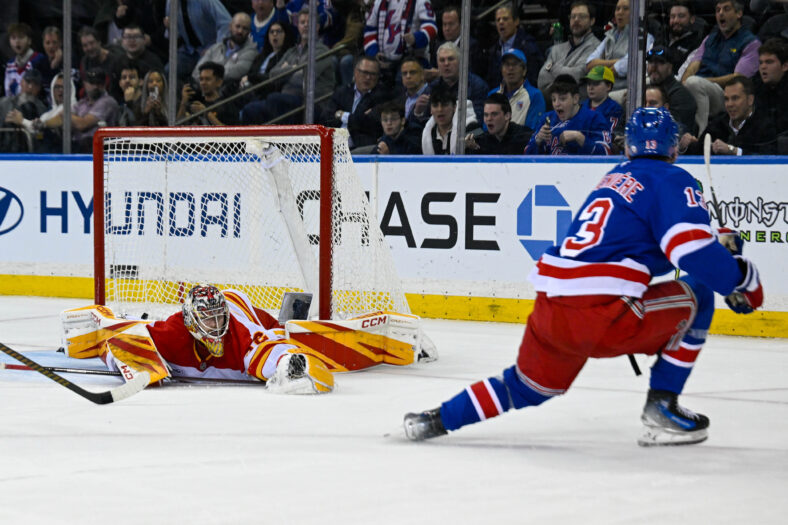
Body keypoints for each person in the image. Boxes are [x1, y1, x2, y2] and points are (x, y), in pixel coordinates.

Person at [403, 107, 764, 447]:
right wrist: (743, 281)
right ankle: (663, 406)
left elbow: (644, 245)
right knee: (700, 294)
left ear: (630, 144)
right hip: (603, 313)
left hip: (553, 305)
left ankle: (435, 420)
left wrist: (717, 248)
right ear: (673, 146)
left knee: (527, 387)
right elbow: (689, 253)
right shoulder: (673, 178)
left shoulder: (614, 178)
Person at [61, 285, 432, 393]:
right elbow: (119, 341)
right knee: (101, 332)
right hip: (232, 307)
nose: (214, 326)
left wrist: (291, 366)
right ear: (190, 321)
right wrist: (135, 366)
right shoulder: (173, 332)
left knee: (288, 333)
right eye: (206, 319)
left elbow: (286, 356)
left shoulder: (241, 336)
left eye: (216, 318)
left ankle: (379, 335)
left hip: (244, 308)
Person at [240, 8, 334, 124]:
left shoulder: (321, 50)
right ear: (298, 26)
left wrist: (287, 69)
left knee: (275, 99)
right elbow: (273, 75)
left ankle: (278, 139)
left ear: (317, 27)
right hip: (286, 101)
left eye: (309, 22)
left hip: (312, 103)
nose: (305, 25)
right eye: (302, 22)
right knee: (250, 110)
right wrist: (295, 69)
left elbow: (304, 78)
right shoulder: (291, 51)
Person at [682, 0, 760, 134]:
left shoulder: (751, 43)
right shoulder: (710, 39)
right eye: (718, 10)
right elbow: (693, 66)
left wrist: (701, 82)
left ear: (739, 13)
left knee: (694, 83)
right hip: (700, 87)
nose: (721, 14)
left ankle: (701, 137)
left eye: (726, 9)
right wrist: (683, 84)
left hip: (727, 94)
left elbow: (738, 78)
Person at [680, 76, 777, 155]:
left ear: (750, 100)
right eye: (726, 99)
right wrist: (687, 145)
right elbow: (699, 151)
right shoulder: (718, 123)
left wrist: (733, 151)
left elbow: (769, 158)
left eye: (735, 98)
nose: (729, 104)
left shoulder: (765, 125)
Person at [525, 74, 611, 155]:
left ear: (575, 99)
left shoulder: (594, 118)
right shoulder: (547, 119)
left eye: (562, 99)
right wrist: (537, 140)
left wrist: (579, 138)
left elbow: (606, 153)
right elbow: (526, 156)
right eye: (554, 99)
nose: (557, 104)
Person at [586, 0, 654, 100]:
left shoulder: (644, 37)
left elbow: (628, 65)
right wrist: (617, 61)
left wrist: (601, 67)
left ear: (636, 13)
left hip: (625, 91)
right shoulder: (609, 35)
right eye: (617, 9)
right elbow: (589, 64)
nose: (620, 12)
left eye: (625, 9)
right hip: (603, 88)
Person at [321, 56, 390, 149]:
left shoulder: (381, 96)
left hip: (359, 147)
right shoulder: (342, 91)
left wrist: (342, 115)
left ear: (378, 77)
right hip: (333, 143)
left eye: (373, 74)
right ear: (356, 72)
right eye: (365, 72)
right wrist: (354, 119)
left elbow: (369, 124)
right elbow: (326, 116)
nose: (368, 77)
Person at [363, 0, 438, 81]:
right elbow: (369, 31)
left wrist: (415, 38)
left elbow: (432, 27)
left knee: (401, 84)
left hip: (413, 59)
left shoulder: (420, 2)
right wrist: (374, 53)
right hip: (383, 61)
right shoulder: (379, 3)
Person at [537, 1, 601, 95]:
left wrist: (551, 68)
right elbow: (542, 80)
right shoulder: (556, 49)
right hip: (552, 106)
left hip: (579, 106)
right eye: (573, 16)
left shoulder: (598, 48)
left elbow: (576, 75)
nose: (576, 20)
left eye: (581, 16)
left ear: (592, 21)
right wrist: (567, 71)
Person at [164, 0, 232, 81]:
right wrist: (170, 28)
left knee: (199, 76)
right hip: (189, 50)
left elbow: (226, 23)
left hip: (210, 47)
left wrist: (215, 48)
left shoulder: (207, 1)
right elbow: (176, 36)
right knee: (168, 71)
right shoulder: (171, 3)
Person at [484, 4, 543, 90]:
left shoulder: (528, 46)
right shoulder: (493, 50)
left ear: (516, 21)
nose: (501, 22)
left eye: (505, 19)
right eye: (498, 20)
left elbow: (533, 77)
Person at [192, 12, 257, 90]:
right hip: (203, 88)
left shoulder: (251, 52)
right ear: (230, 27)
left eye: (244, 28)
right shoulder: (216, 47)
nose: (240, 31)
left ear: (249, 32)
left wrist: (206, 79)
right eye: (237, 26)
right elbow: (197, 71)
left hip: (225, 92)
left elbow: (234, 73)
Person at [488, 48, 545, 132]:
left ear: (524, 70)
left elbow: (532, 131)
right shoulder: (492, 95)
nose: (510, 68)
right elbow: (486, 127)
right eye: (507, 64)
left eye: (515, 64)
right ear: (501, 70)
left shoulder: (535, 95)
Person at [430, 42, 487, 124]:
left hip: (469, 132)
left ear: (461, 62)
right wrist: (418, 112)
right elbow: (425, 119)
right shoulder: (433, 87)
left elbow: (479, 119)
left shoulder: (477, 86)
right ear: (437, 65)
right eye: (442, 60)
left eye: (450, 59)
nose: (446, 63)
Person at [646, 45, 698, 135]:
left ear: (670, 67)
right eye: (651, 62)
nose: (654, 67)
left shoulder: (681, 95)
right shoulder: (646, 89)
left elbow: (677, 129)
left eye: (660, 62)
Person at [67, 68, 120, 153]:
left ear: (104, 84)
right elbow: (60, 120)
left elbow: (82, 124)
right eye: (92, 83)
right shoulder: (81, 103)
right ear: (85, 83)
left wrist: (65, 114)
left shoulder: (108, 102)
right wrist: (43, 123)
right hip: (77, 147)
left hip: (102, 150)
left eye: (99, 83)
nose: (95, 86)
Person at [464, 93, 531, 155]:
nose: (489, 119)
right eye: (486, 115)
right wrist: (474, 148)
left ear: (507, 116)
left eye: (494, 114)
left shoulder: (524, 136)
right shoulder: (481, 139)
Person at [110, 24, 164, 100]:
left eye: (136, 37)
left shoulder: (153, 62)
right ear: (122, 41)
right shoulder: (117, 62)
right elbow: (113, 91)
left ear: (144, 39)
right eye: (128, 37)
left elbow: (159, 91)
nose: (132, 40)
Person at [421, 83, 477, 155]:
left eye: (445, 105)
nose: (440, 109)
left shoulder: (471, 127)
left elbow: (484, 145)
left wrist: (474, 147)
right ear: (431, 110)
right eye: (435, 106)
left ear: (454, 107)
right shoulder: (427, 133)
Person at [0, 69, 47, 152]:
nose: (30, 87)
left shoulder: (41, 109)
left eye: (35, 84)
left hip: (29, 153)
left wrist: (23, 123)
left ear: (39, 88)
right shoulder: (4, 103)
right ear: (21, 82)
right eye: (28, 82)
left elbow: (41, 137)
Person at [753, 38, 788, 139]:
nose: (763, 67)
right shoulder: (756, 87)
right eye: (761, 62)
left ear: (785, 66)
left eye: (769, 62)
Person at [4, 23, 47, 97]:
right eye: (13, 38)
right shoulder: (10, 64)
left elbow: (32, 92)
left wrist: (15, 87)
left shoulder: (39, 59)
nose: (17, 41)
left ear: (29, 40)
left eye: (21, 37)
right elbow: (7, 91)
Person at [78, 26, 122, 95]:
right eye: (85, 45)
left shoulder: (115, 60)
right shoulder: (85, 62)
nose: (89, 48)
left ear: (99, 42)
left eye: (92, 43)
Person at [662, 1, 705, 71]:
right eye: (672, 16)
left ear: (692, 19)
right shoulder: (662, 35)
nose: (676, 20)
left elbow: (683, 73)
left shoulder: (697, 43)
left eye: (681, 16)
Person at [581, 65, 623, 134]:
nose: (590, 87)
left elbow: (609, 136)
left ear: (608, 86)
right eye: (589, 83)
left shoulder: (614, 109)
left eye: (596, 83)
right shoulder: (581, 106)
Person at [398, 57, 430, 126]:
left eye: (412, 72)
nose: (408, 76)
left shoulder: (431, 94)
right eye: (404, 73)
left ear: (422, 75)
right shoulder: (400, 99)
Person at [116, 61, 143, 126]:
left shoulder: (147, 103)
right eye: (124, 78)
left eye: (132, 77)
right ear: (120, 83)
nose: (127, 80)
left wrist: (130, 103)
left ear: (140, 82)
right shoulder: (119, 105)